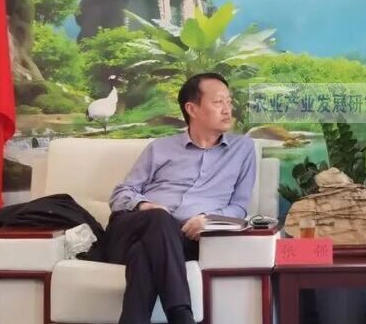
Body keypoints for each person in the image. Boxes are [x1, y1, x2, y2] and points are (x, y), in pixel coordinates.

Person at [106, 72, 257, 324]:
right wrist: (145, 205)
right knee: (159, 219)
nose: (227, 109)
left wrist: (208, 219)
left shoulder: (243, 149)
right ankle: (181, 315)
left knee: (143, 254)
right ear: (192, 109)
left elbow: (239, 206)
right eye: (218, 102)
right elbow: (121, 193)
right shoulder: (160, 147)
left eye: (229, 102)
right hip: (133, 228)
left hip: (184, 238)